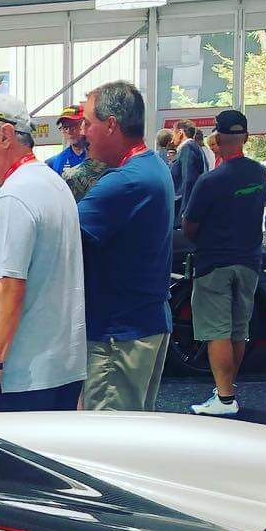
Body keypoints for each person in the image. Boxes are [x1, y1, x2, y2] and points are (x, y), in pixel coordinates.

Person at [0, 93, 85, 412]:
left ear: (5, 136)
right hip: (57, 368)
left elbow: (9, 286)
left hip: (18, 377)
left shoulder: (14, 196)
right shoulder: (52, 182)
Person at [75, 82, 175, 412]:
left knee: (103, 443)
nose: (83, 132)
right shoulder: (154, 166)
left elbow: (61, 234)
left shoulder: (124, 182)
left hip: (118, 334)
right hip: (142, 323)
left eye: (88, 123)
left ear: (112, 124)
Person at [181, 109, 266, 417]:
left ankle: (225, 398)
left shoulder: (210, 181)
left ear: (216, 138)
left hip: (215, 262)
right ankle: (227, 391)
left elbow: (189, 226)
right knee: (238, 329)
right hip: (249, 260)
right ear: (246, 136)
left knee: (215, 331)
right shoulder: (261, 175)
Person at [171, 121, 207, 225]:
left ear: (180, 132)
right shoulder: (196, 148)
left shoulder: (187, 148)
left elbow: (189, 180)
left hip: (183, 208)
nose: (172, 137)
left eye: (174, 132)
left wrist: (185, 211)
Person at [45, 106, 88, 176]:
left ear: (84, 125)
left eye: (73, 125)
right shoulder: (57, 161)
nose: (69, 131)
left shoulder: (98, 156)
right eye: (65, 127)